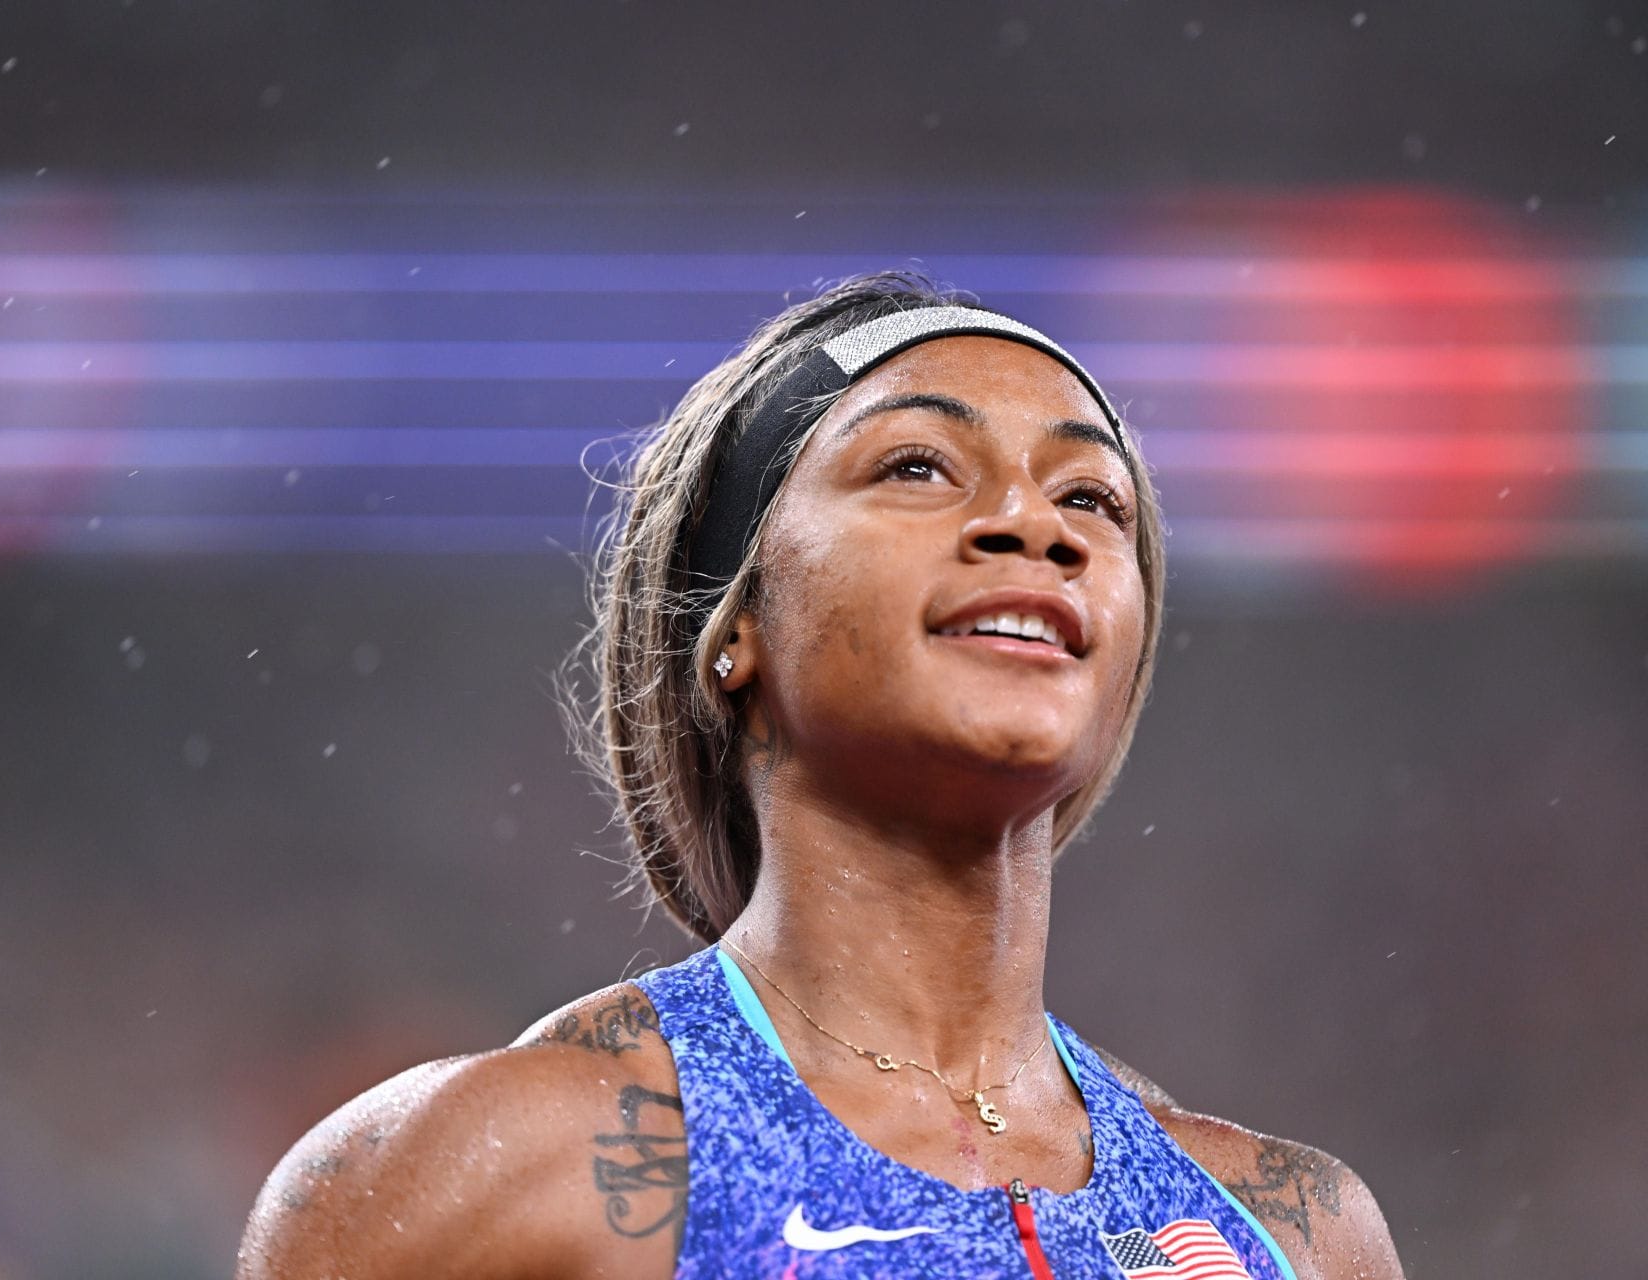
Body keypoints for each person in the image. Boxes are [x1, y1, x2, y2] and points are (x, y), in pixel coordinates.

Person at [236, 273, 1406, 1279]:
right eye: (917, 464)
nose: (1034, 526)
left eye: (1090, 496)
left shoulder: (1292, 1232)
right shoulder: (485, 1171)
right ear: (735, 623)